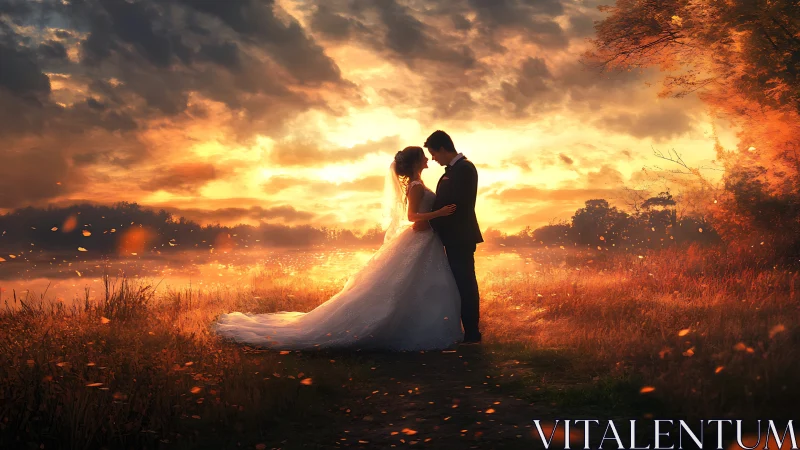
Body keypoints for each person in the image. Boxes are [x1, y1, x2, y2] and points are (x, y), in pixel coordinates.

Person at [213, 146, 464, 350]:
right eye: (424, 158)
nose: (428, 161)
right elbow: (412, 216)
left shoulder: (416, 183)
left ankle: (417, 325)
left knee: (420, 287)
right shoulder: (416, 186)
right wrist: (439, 212)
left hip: (424, 240)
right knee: (407, 287)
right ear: (415, 163)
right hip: (420, 239)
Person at [424, 130, 484, 343]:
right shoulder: (455, 170)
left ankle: (472, 333)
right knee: (459, 283)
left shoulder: (464, 169)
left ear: (442, 148)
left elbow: (457, 206)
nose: (433, 158)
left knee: (465, 283)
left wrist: (430, 222)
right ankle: (465, 330)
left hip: (460, 236)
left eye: (433, 153)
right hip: (453, 236)